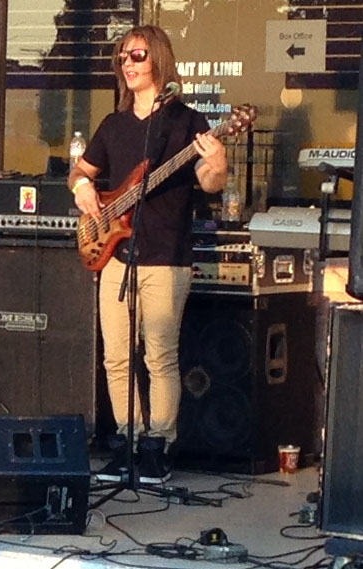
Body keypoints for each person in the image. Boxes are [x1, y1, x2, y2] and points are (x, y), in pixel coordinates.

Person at [69, 25, 228, 484]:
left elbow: (210, 182)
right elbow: (81, 172)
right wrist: (82, 188)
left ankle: (158, 444)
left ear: (158, 57)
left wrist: (216, 160)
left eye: (136, 55)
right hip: (116, 254)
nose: (128, 64)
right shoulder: (114, 124)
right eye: (122, 58)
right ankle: (128, 439)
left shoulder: (187, 121)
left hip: (166, 254)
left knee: (159, 354)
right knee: (116, 357)